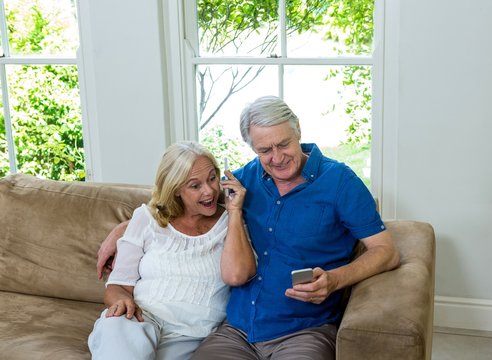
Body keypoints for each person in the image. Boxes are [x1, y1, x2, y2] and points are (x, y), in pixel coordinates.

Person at [97, 96, 400, 359]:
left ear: (298, 132)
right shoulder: (244, 181)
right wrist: (126, 227)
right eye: (264, 150)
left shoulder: (340, 182)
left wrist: (334, 279)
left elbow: (386, 251)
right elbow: (187, 201)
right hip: (236, 331)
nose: (277, 158)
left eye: (284, 144)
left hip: (303, 330)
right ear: (252, 147)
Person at [88, 141, 256, 360]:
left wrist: (234, 211)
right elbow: (117, 286)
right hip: (138, 320)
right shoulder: (146, 219)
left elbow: (238, 274)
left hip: (190, 336)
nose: (209, 191)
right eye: (195, 186)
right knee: (120, 339)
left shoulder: (231, 223)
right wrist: (121, 300)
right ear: (176, 189)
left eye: (212, 178)